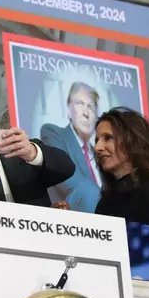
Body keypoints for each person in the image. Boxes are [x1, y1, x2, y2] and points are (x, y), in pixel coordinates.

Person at [93, 108, 149, 226]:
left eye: (108, 138)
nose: (97, 148)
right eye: (96, 140)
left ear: (133, 140)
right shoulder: (104, 204)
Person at [41, 82, 102, 213]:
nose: (86, 113)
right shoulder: (53, 134)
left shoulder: (101, 155)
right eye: (80, 103)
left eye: (91, 107)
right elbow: (67, 179)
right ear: (69, 109)